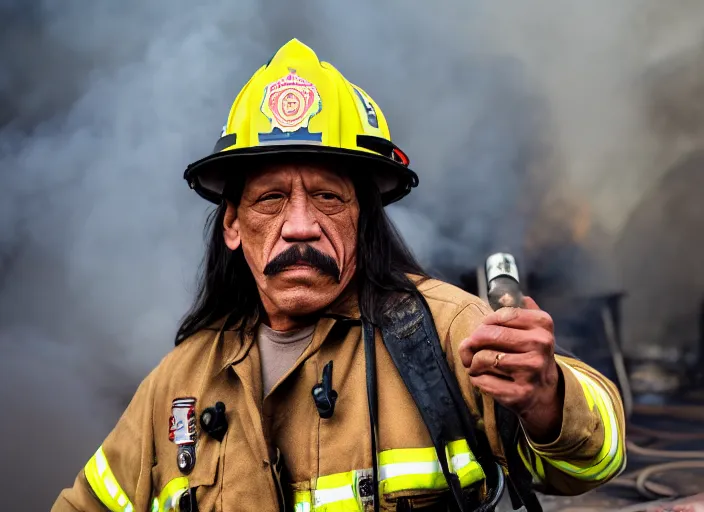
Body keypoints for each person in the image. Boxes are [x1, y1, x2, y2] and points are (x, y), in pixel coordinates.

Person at [53, 39, 625, 512]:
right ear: (232, 224)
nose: (300, 227)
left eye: (327, 197)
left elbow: (593, 461)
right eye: (271, 200)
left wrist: (548, 396)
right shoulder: (180, 382)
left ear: (364, 220)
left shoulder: (449, 332)